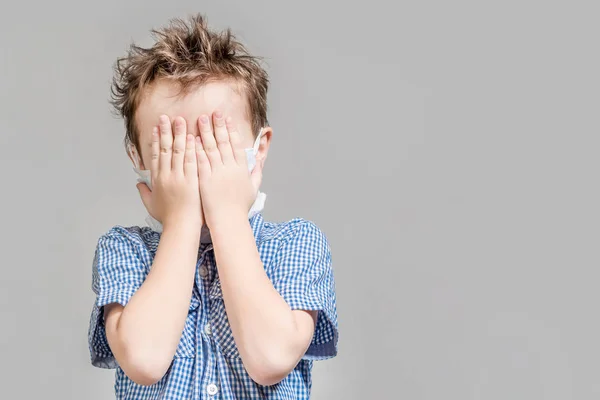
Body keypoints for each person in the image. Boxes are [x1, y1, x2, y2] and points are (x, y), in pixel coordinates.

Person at [87, 13, 338, 400]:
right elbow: (144, 360)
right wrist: (182, 220)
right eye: (174, 151)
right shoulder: (125, 250)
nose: (196, 169)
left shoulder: (296, 243)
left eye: (214, 147)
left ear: (259, 149)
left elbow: (270, 357)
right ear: (137, 155)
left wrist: (227, 214)